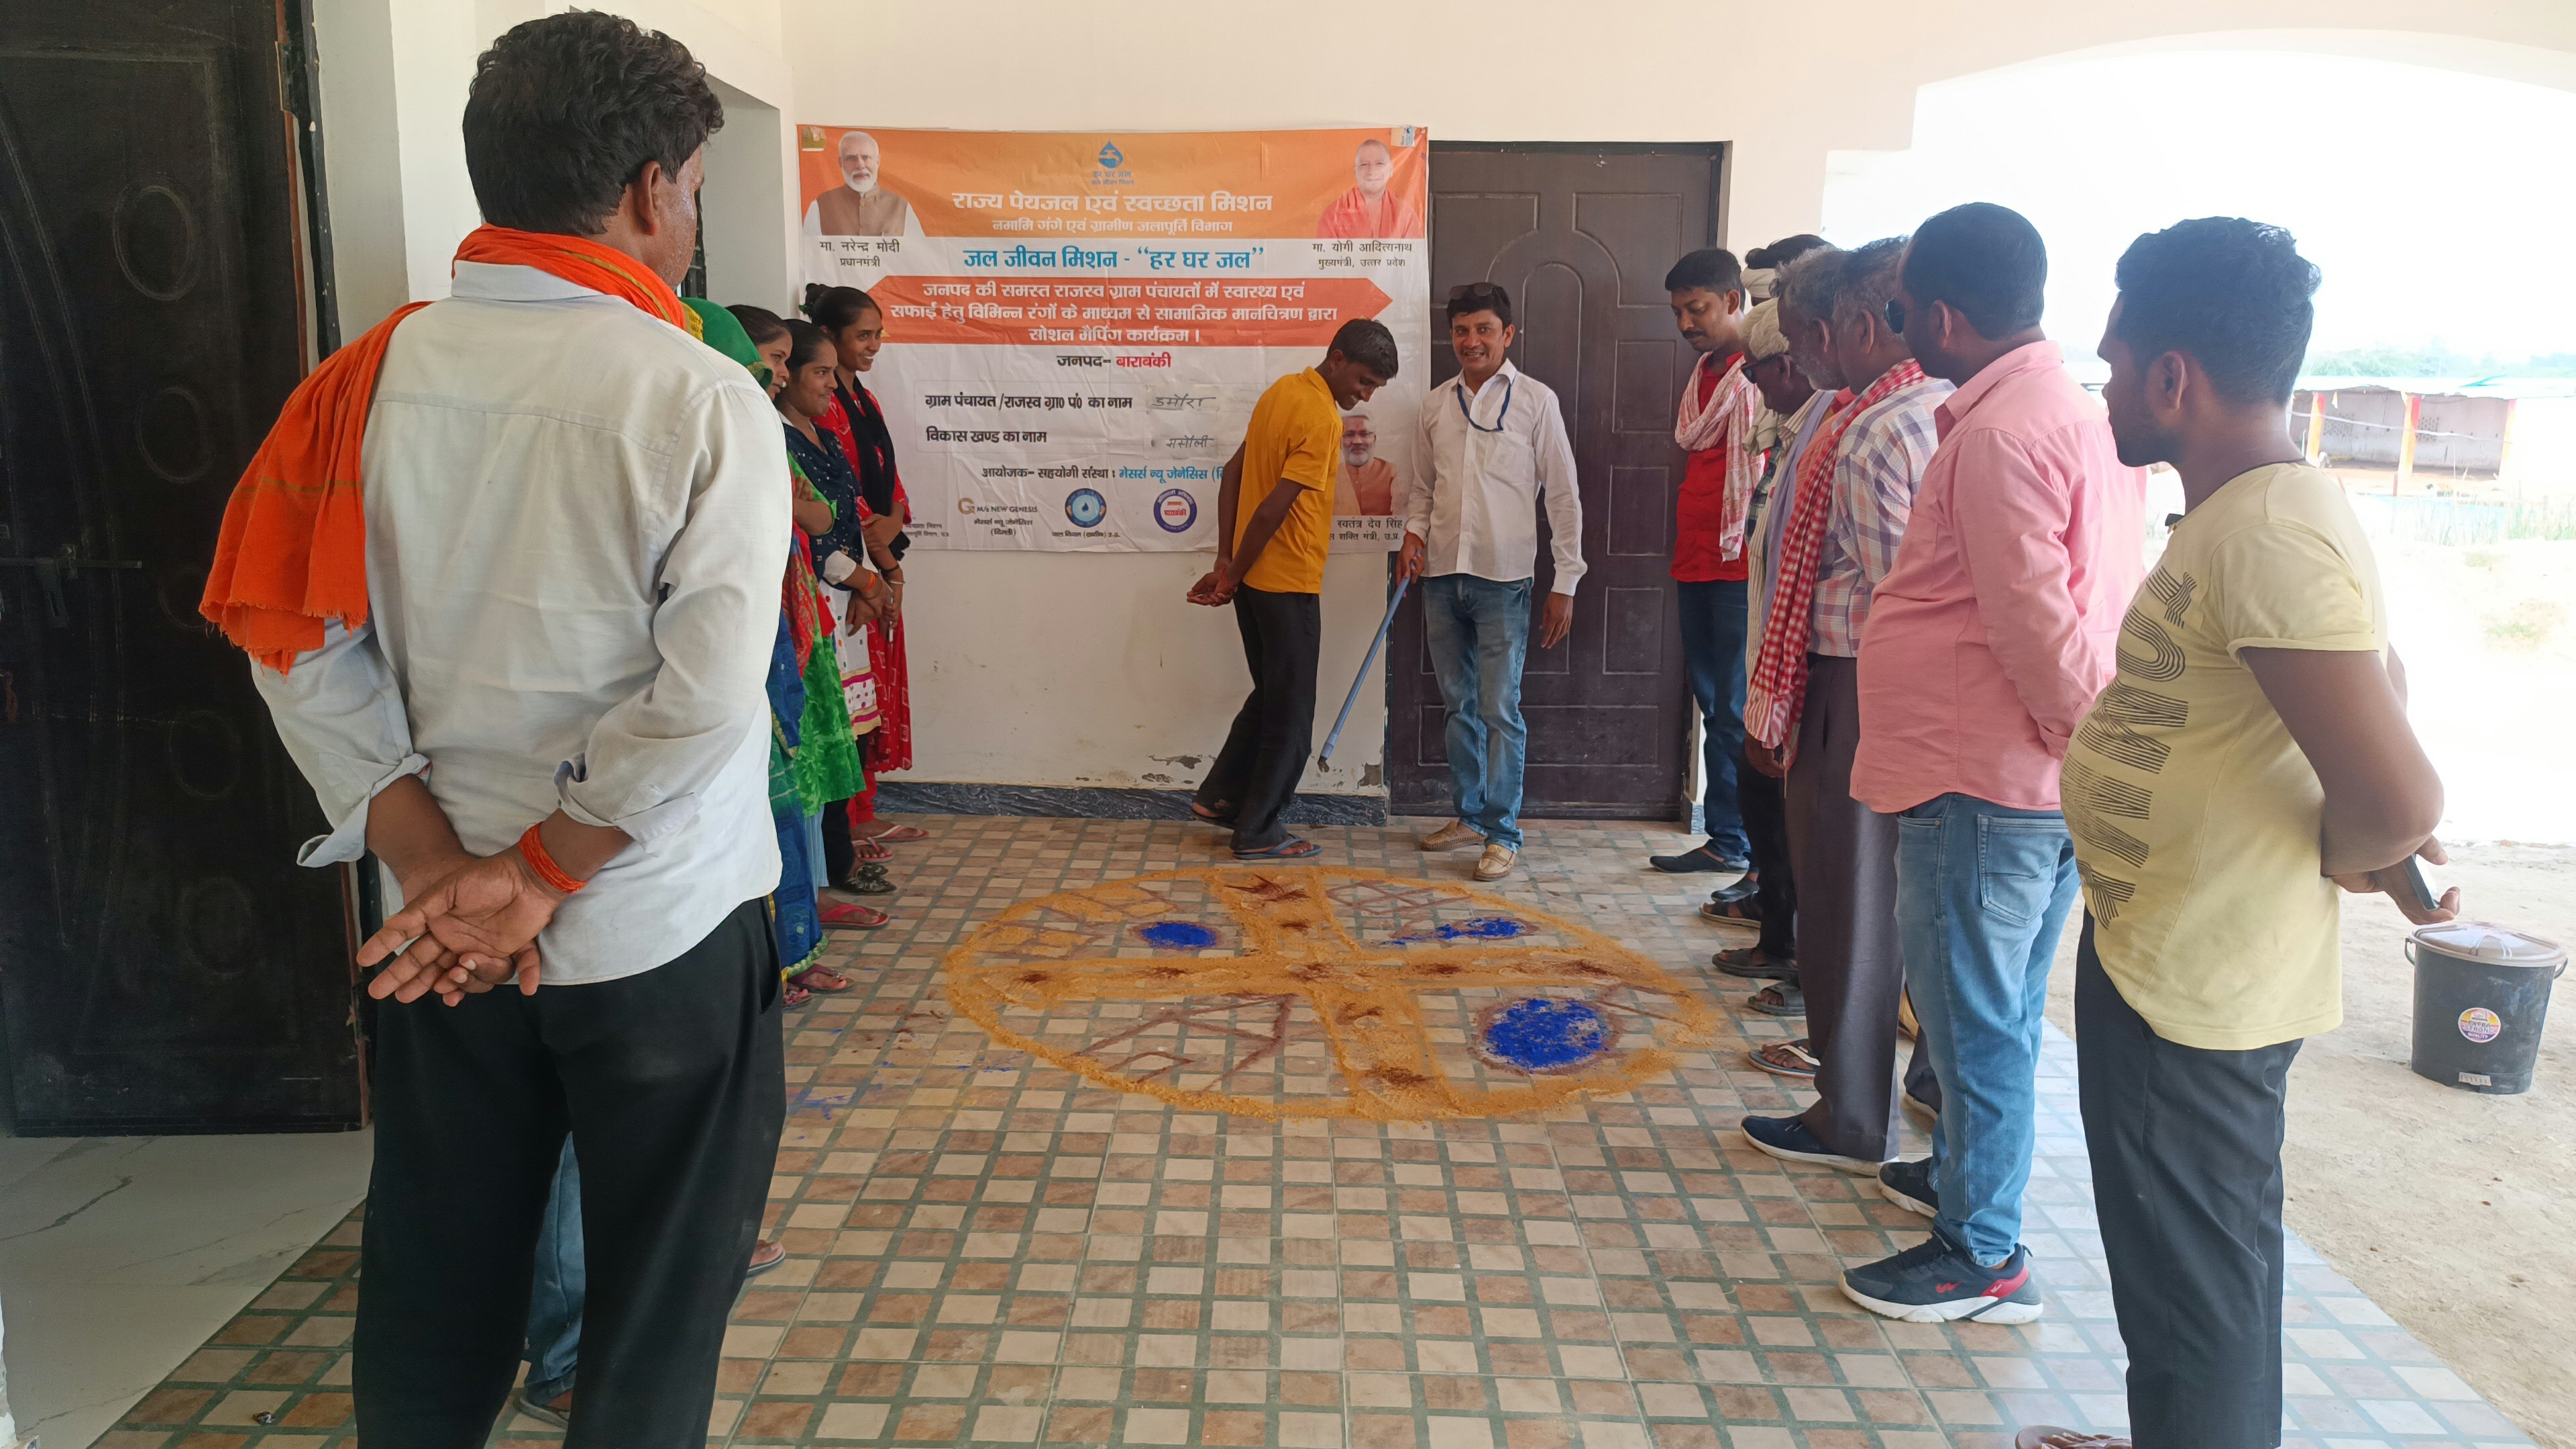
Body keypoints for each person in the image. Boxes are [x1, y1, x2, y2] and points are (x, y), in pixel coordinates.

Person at [203, 15, 784, 1445]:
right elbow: (704, 695)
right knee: (656, 1304)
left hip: (442, 940)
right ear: (651, 189)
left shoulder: (363, 382)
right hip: (653, 928)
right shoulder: (698, 394)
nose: (690, 223)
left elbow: (293, 641)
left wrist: (433, 865)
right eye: (695, 190)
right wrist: (539, 875)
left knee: (436, 1272)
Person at [2016, 218, 2458, 1449]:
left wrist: (2356, 849)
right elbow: (2375, 680)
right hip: (2174, 957)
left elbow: (2401, 795)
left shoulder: (2266, 531)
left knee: (2193, 1292)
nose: (2105, 390)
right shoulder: (2258, 513)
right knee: (2196, 1271)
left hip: (2197, 986)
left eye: (2114, 366)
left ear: (2174, 378)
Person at [1837, 203, 2145, 1324]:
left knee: (1974, 1021)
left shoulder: (2002, 434)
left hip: (1984, 781)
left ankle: (1981, 1253)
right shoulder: (2067, 412)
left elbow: (2036, 625)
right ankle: (1969, 1182)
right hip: (2018, 778)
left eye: (1905, 307)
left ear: (1945, 316)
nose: (1899, 322)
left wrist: (2079, 754)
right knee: (1995, 1008)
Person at [1736, 237, 1951, 1172]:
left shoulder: (1878, 429)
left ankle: (1851, 1115)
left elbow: (1905, 597)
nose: (1797, 359)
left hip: (1862, 687)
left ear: (1850, 329)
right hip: (1886, 693)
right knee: (1898, 904)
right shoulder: (1917, 406)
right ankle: (1905, 1091)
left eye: (1803, 339)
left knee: (1850, 903)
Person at [1186, 319, 1399, 858]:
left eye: (1374, 388)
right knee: (1293, 714)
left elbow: (1232, 473)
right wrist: (1230, 573)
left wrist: (1227, 560)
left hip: (1255, 583)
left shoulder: (1281, 391)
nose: (1365, 396)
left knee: (1271, 694)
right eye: (1364, 381)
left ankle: (1221, 797)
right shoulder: (1321, 417)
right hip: (1286, 583)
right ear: (1337, 358)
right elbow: (1271, 509)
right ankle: (1258, 831)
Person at [1399, 281, 1583, 881]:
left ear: (1507, 334)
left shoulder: (1536, 401)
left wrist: (1566, 580)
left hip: (1504, 581)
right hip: (1441, 576)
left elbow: (1563, 496)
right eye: (1461, 331)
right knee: (1458, 706)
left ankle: (1503, 833)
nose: (1471, 341)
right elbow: (1423, 488)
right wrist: (1413, 536)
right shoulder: (1434, 405)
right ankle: (1470, 817)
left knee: (1500, 709)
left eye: (1483, 329)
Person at [1713, 292, 1820, 1016]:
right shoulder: (1788, 431)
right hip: (1772, 657)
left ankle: (1807, 965)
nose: (1751, 385)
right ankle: (1777, 936)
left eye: (1756, 372)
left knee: (1807, 826)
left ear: (1793, 364)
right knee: (1764, 796)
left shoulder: (1835, 431)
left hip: (1814, 672)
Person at [776, 317, 900, 933]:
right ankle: (822, 875)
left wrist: (876, 579)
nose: (832, 385)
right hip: (816, 601)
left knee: (843, 738)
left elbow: (844, 517)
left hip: (846, 601)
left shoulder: (822, 435)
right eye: (819, 372)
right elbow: (817, 535)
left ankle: (837, 857)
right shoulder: (777, 441)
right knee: (817, 745)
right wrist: (867, 583)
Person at [1648, 248, 1760, 877]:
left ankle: (1742, 846)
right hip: (1695, 560)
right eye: (1678, 313)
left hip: (1739, 565)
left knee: (1736, 713)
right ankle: (1727, 840)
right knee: (1715, 707)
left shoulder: (1762, 374)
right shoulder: (1704, 376)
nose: (1686, 323)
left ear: (1733, 301)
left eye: (1697, 309)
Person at [804, 284, 923, 853]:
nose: (874, 345)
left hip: (876, 557)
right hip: (849, 569)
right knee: (850, 697)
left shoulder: (866, 401)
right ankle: (849, 822)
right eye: (863, 335)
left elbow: (887, 484)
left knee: (869, 693)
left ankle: (865, 811)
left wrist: (893, 525)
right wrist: (874, 573)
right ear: (828, 336)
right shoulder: (821, 411)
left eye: (878, 334)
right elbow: (840, 498)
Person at [802, 129, 916, 237]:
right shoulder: (820, 206)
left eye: (866, 157)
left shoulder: (901, 207)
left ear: (878, 161)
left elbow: (917, 250)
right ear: (841, 163)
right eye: (851, 158)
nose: (860, 165)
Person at [1316, 138, 1423, 239]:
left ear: (1391, 170)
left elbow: (1414, 252)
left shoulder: (1406, 215)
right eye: (1364, 165)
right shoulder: (1333, 215)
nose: (1372, 171)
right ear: (1355, 171)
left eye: (1379, 163)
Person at [1335, 410, 1399, 515]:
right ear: (1339, 442)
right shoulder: (1331, 477)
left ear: (1374, 440)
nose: (1357, 441)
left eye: (1364, 434)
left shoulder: (1392, 474)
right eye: (1349, 435)